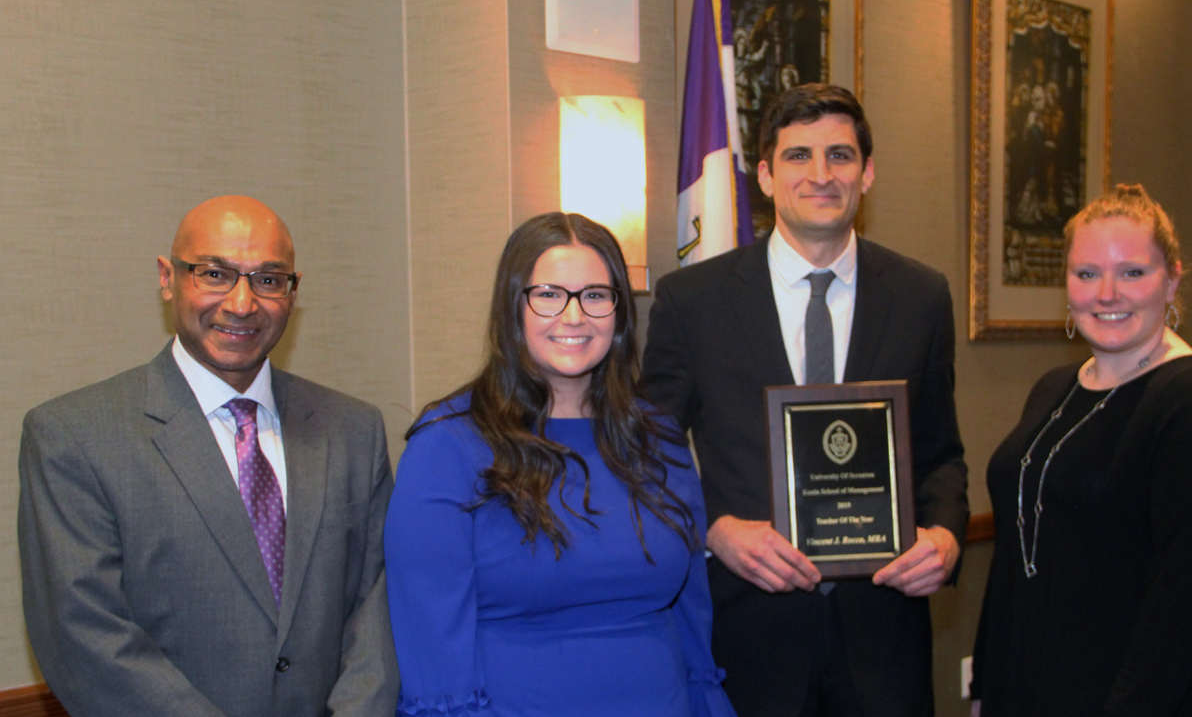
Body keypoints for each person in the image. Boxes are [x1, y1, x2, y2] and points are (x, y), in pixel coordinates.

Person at [644, 83, 969, 717]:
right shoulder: (693, 302)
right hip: (747, 635)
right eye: (798, 156)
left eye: (840, 156)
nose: (820, 175)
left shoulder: (921, 296)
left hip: (884, 641)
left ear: (867, 173)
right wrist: (716, 528)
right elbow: (650, 454)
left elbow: (941, 453)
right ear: (764, 175)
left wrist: (948, 537)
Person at [18, 196, 398, 716]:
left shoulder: (353, 431)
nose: (242, 303)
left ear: (292, 291)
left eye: (268, 280)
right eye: (215, 274)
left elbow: (375, 612)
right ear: (167, 278)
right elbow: (83, 633)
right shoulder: (74, 436)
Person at [385, 212, 735, 717]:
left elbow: (692, 618)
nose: (574, 316)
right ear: (513, 307)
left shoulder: (658, 437)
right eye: (549, 294)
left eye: (595, 295)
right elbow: (430, 644)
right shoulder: (448, 445)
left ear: (619, 311)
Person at [970, 184, 1192, 716]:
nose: (1106, 293)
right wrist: (985, 693)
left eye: (1132, 272)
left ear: (1172, 279)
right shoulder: (1053, 388)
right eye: (1087, 273)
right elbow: (1014, 563)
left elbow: (1184, 611)